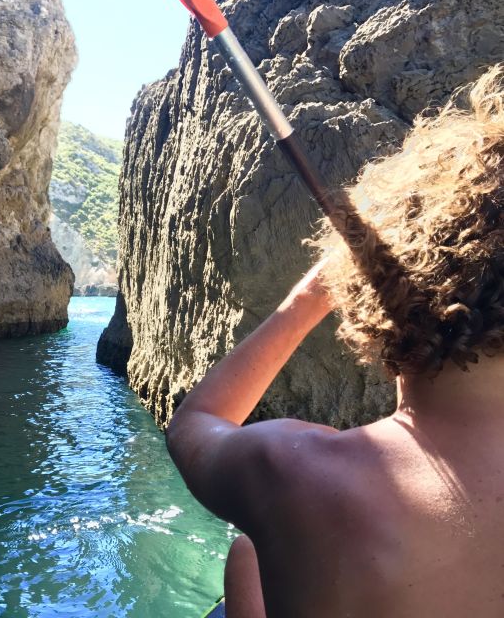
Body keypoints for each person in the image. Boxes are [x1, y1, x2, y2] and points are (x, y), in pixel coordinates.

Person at [166, 64, 504, 618]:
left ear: (368, 294)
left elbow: (194, 425)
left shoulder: (301, 474)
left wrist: (306, 300)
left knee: (249, 553)